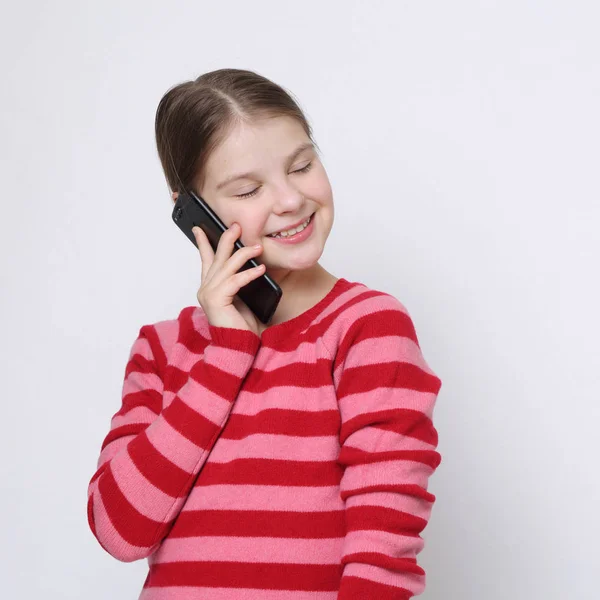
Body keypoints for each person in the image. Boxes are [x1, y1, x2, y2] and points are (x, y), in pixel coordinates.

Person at [86, 68, 443, 600]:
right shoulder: (162, 350)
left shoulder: (365, 327)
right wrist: (227, 352)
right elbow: (120, 531)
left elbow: (382, 552)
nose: (290, 200)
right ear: (193, 213)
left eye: (302, 165)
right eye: (249, 189)